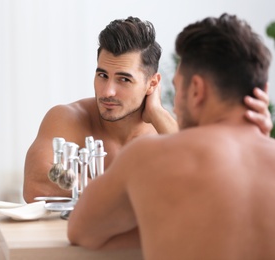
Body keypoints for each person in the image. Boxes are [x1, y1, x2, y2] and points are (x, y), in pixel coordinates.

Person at [67, 13, 275, 260]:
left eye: (177, 87)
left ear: (196, 90)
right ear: (262, 91)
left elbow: (81, 231)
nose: (174, 104)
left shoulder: (147, 156)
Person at [23, 16, 273, 203]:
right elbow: (35, 186)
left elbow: (204, 180)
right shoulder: (67, 118)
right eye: (102, 75)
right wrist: (132, 196)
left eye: (124, 79)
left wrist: (158, 115)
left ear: (151, 83)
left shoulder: (167, 130)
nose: (107, 91)